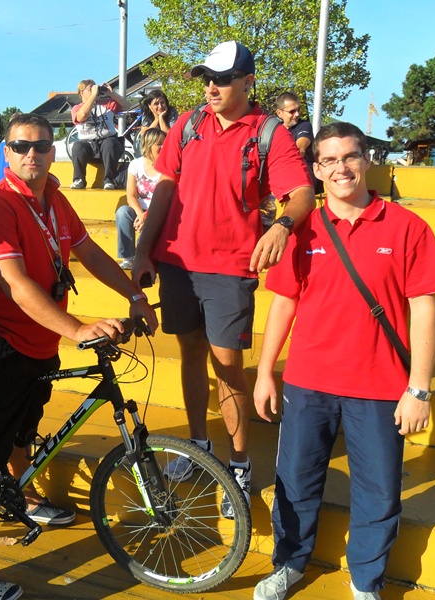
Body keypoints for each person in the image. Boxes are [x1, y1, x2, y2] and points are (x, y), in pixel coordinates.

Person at [0, 113, 157, 600]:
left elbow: (92, 254)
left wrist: (135, 296)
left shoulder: (56, 201)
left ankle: (22, 494)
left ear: (53, 151)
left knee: (24, 431)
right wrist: (77, 328)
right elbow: (15, 284)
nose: (32, 154)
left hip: (40, 344)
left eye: (42, 146)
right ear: (6, 151)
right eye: (22, 146)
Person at [252, 122, 435, 600]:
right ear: (317, 170)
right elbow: (283, 302)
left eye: (349, 157)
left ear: (366, 161)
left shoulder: (407, 227)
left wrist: (419, 388)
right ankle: (289, 564)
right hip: (308, 382)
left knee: (378, 491)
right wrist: (265, 372)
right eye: (329, 160)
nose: (341, 168)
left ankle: (366, 581)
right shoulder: (303, 229)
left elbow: (424, 309)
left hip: (380, 385)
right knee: (295, 482)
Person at [132, 41, 315, 519]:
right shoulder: (189, 123)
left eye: (223, 79)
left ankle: (238, 466)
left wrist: (281, 225)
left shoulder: (269, 132)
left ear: (248, 81)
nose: (211, 88)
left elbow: (301, 193)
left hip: (229, 268)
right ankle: (199, 448)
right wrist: (144, 250)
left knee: (228, 366)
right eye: (207, 79)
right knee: (190, 353)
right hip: (176, 262)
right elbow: (165, 188)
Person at [116, 128, 166, 270]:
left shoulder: (167, 165)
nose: (163, 147)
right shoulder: (136, 164)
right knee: (123, 212)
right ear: (149, 146)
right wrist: (141, 215)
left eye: (165, 143)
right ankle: (128, 257)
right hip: (141, 210)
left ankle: (142, 256)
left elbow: (165, 198)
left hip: (159, 210)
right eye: (159, 144)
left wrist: (147, 216)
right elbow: (131, 196)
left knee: (149, 223)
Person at [70, 79, 130, 190]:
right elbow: (82, 116)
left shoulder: (107, 103)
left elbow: (127, 105)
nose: (94, 90)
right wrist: (93, 96)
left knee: (110, 143)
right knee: (77, 146)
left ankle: (109, 180)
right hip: (88, 145)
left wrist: (110, 93)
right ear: (82, 92)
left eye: (95, 88)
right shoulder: (77, 108)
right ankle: (79, 180)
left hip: (108, 144)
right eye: (90, 89)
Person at [274, 91, 321, 193]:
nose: (297, 114)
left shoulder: (304, 125)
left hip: (305, 177)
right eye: (292, 111)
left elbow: (300, 149)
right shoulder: (274, 131)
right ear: (279, 113)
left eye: (298, 110)